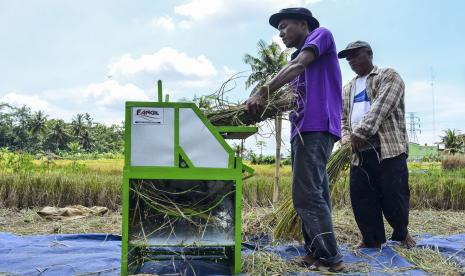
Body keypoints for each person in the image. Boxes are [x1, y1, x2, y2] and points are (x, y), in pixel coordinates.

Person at [246, 7, 344, 272]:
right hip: (302, 129)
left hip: (317, 126)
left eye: (284, 27)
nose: (280, 34)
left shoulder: (321, 36)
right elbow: (292, 97)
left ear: (303, 24)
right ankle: (314, 253)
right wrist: (262, 108)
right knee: (315, 192)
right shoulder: (295, 60)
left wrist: (262, 91)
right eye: (278, 30)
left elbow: (299, 64)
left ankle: (331, 258)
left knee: (306, 195)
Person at [338, 41, 416, 249]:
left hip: (387, 148)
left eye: (356, 55)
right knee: (361, 196)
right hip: (358, 152)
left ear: (369, 54)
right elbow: (343, 119)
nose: (351, 60)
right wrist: (347, 139)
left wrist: (361, 132)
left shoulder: (389, 76)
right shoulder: (347, 89)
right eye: (348, 58)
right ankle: (371, 239)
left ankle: (402, 234)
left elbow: (381, 107)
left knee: (394, 194)